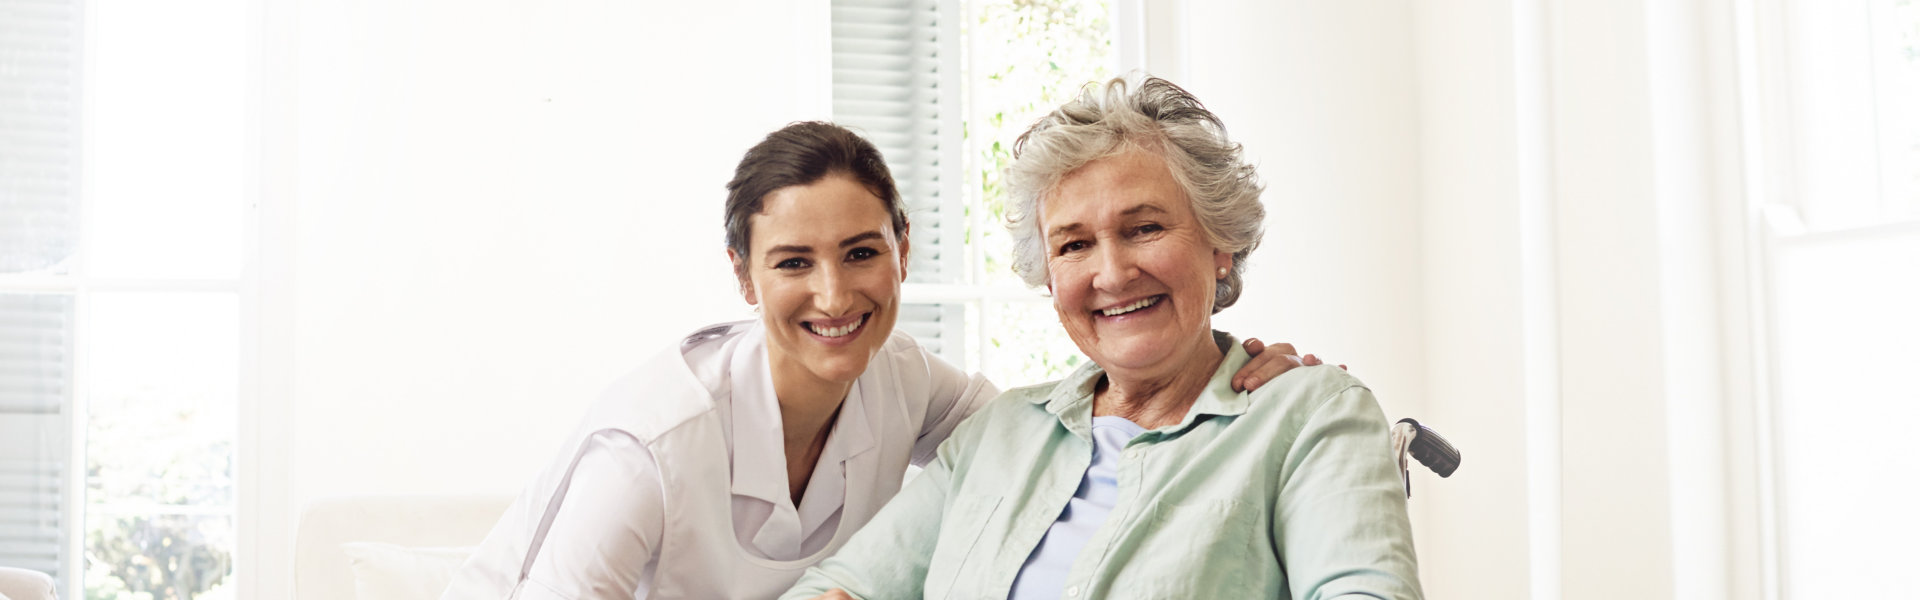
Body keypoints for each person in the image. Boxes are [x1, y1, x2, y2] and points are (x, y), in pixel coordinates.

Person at [441, 121, 1317, 599]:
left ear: (904, 248)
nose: (835, 295)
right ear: (742, 278)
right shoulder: (650, 446)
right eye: (792, 263)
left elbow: (1062, 435)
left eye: (861, 252)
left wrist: (1240, 378)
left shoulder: (908, 381)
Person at [782, 77, 1423, 600]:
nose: (1112, 274)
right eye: (1075, 244)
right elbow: (845, 588)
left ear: (1219, 243)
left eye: (1144, 228)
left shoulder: (1309, 415)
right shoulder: (999, 433)